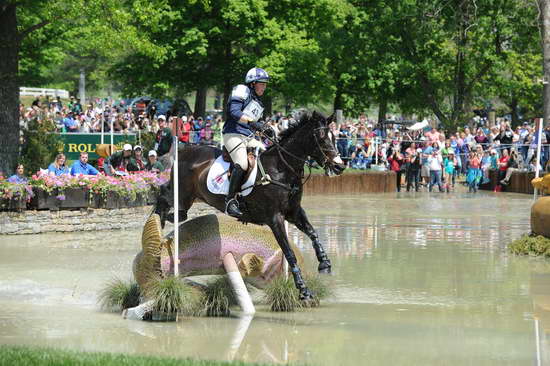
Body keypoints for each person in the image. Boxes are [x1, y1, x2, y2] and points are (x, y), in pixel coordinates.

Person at [222, 67, 271, 218]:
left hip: (249, 137)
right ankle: (230, 201)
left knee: (269, 155)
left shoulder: (258, 101)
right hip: (233, 134)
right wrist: (253, 122)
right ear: (252, 83)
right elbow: (234, 112)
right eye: (261, 84)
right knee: (242, 163)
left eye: (265, 84)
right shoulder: (242, 90)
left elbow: (255, 123)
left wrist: (266, 129)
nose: (264, 87)